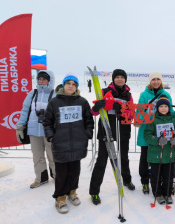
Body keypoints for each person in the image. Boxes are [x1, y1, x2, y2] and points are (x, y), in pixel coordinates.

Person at [43, 73, 94, 214]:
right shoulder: (54, 102)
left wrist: (87, 134)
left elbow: (89, 120)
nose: (71, 86)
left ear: (76, 87)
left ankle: (72, 192)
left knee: (75, 171)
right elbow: (47, 122)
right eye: (68, 83)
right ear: (63, 85)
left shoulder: (82, 102)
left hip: (78, 143)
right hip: (61, 144)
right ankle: (60, 197)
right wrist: (52, 136)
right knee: (61, 173)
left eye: (73, 84)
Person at [89, 69, 135, 205]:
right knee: (102, 160)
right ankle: (94, 191)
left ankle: (126, 180)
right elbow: (94, 112)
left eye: (122, 77)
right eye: (118, 77)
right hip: (107, 128)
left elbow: (131, 113)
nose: (120, 79)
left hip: (123, 128)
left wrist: (122, 109)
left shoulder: (128, 94)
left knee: (124, 156)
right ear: (113, 79)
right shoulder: (104, 91)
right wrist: (96, 107)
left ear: (125, 79)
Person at [135, 71, 175, 194]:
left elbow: (170, 113)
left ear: (161, 81)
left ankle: (162, 183)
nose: (156, 82)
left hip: (164, 133)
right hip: (148, 132)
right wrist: (150, 118)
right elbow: (139, 113)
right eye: (153, 79)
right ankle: (145, 182)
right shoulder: (144, 95)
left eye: (158, 79)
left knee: (162, 159)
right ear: (150, 81)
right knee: (145, 159)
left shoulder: (166, 94)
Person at [16, 70, 56, 188]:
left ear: (50, 80)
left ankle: (57, 176)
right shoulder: (32, 94)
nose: (41, 81)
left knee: (52, 155)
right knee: (37, 156)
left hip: (49, 131)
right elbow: (24, 111)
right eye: (39, 79)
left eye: (44, 79)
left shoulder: (54, 95)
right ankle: (41, 178)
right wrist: (20, 126)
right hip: (33, 130)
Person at [144, 95, 175, 204]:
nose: (163, 108)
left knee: (168, 176)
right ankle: (158, 194)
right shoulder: (153, 120)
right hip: (155, 155)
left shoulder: (173, 120)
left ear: (169, 108)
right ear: (157, 108)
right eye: (161, 106)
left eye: (166, 106)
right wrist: (157, 141)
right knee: (156, 176)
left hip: (168, 155)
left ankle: (167, 193)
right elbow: (147, 135)